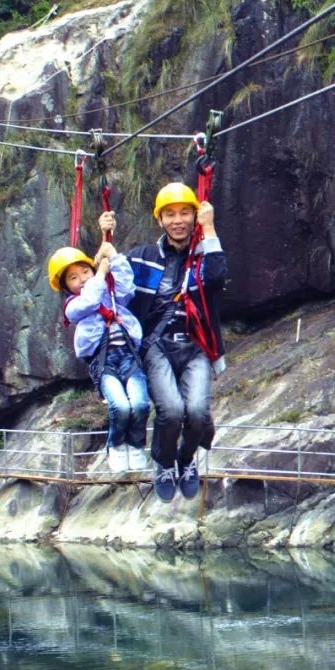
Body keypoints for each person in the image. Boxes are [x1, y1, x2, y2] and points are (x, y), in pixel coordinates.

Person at [98, 181, 226, 502]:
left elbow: (217, 277)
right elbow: (106, 282)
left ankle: (185, 460)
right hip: (156, 345)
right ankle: (165, 463)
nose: (178, 220)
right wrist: (105, 239)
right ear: (159, 219)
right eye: (170, 214)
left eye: (185, 213)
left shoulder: (202, 257)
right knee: (170, 409)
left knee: (197, 412)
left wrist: (209, 229)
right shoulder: (142, 257)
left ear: (195, 216)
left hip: (195, 344)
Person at [48, 244, 152, 475]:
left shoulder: (111, 294)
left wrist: (113, 257)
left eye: (86, 272)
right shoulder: (73, 307)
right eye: (74, 278)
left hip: (128, 356)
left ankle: (135, 445)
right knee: (120, 406)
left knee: (140, 404)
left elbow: (127, 287)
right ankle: (115, 446)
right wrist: (100, 274)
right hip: (104, 362)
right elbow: (90, 301)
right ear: (66, 287)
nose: (82, 279)